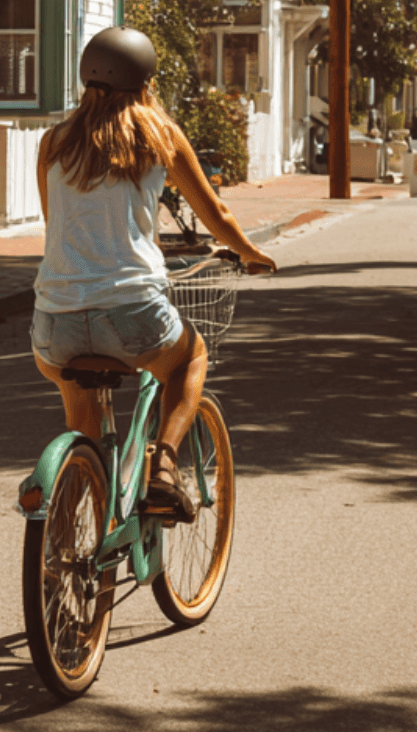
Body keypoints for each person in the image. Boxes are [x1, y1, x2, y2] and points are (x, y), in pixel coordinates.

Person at [32, 27, 276, 520]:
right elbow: (217, 217)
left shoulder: (54, 141)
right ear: (145, 80)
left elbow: (54, 223)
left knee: (87, 432)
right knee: (190, 359)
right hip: (132, 312)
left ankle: (63, 546)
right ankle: (163, 466)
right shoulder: (158, 132)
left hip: (53, 323)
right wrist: (251, 252)